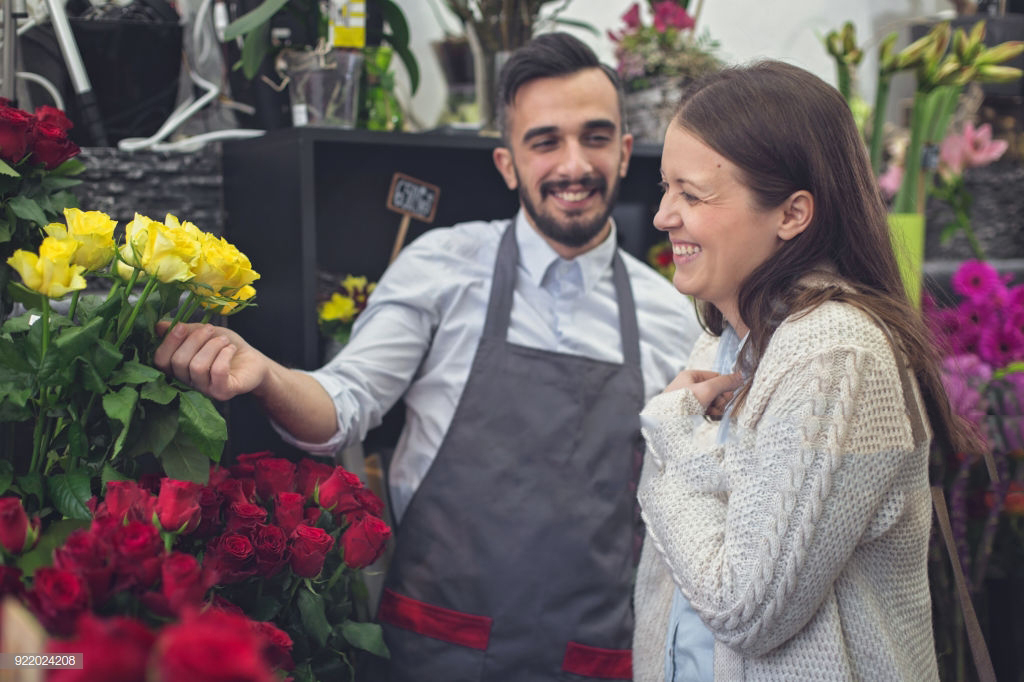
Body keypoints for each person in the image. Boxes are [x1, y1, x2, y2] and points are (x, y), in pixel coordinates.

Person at [154, 32, 702, 681]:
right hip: (441, 648)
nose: (574, 163)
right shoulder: (443, 268)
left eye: (595, 136)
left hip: (595, 659)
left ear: (624, 150)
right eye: (545, 140)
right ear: (507, 163)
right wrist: (267, 375)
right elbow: (343, 408)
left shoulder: (673, 315)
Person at [631, 60, 983, 681]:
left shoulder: (834, 354)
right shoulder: (723, 340)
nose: (663, 215)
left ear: (792, 214)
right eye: (665, 188)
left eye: (692, 193)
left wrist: (669, 431)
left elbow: (749, 611)